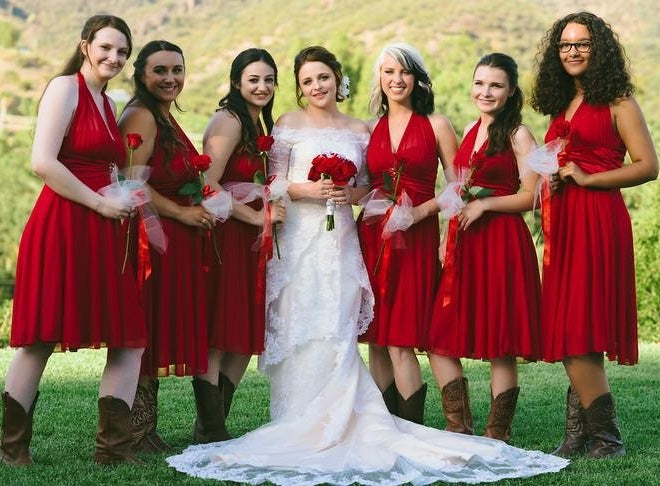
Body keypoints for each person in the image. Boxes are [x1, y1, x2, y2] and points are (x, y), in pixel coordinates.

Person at [167, 45, 568, 484]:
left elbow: (413, 186)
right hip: (318, 235)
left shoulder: (373, 128)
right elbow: (285, 182)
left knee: (361, 331)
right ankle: (294, 418)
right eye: (306, 81)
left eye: (323, 77)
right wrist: (313, 191)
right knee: (324, 330)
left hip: (358, 237)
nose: (316, 86)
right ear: (298, 89)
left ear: (339, 80)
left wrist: (393, 207)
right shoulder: (292, 125)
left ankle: (404, 421)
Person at [1, 15, 145, 466]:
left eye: (122, 52)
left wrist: (123, 192)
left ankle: (113, 451)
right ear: (85, 46)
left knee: (129, 335)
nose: (114, 58)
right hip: (63, 221)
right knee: (41, 336)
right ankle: (11, 447)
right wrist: (101, 204)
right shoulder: (65, 88)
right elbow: (43, 162)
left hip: (102, 228)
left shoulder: (107, 101)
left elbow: (103, 165)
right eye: (105, 48)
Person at [531, 12, 658, 458]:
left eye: (582, 43)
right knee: (571, 326)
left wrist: (586, 178)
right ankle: (580, 435)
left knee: (579, 326)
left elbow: (647, 165)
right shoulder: (562, 103)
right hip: (564, 224)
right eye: (565, 45)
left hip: (598, 219)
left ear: (598, 48)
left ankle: (607, 438)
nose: (572, 51)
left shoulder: (619, 101)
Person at [428, 53, 541, 443]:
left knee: (500, 343)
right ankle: (459, 428)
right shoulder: (471, 129)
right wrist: (446, 234)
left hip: (502, 244)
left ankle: (497, 437)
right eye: (480, 83)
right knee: (439, 339)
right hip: (464, 244)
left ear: (510, 92)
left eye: (495, 85)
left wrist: (486, 203)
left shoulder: (518, 135)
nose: (486, 91)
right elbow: (457, 191)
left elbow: (533, 196)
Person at [117, 40, 212, 453]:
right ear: (141, 74)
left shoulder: (164, 117)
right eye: (160, 70)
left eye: (177, 69)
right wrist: (181, 211)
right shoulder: (141, 114)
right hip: (150, 240)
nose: (170, 78)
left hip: (174, 240)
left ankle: (143, 428)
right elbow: (131, 183)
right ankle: (132, 433)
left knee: (153, 329)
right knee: (144, 327)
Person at [357, 42, 458, 423]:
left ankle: (411, 429)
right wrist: (325, 190)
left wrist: (421, 213)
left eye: (404, 72)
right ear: (379, 79)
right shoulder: (369, 129)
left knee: (401, 339)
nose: (396, 80)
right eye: (388, 72)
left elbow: (457, 187)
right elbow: (365, 187)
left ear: (417, 78)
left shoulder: (437, 125)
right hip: (372, 237)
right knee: (377, 341)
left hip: (416, 237)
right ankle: (386, 426)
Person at [197, 48, 285, 442]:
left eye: (268, 79)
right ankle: (212, 429)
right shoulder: (229, 120)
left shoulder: (256, 121)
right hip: (228, 234)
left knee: (244, 333)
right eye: (253, 79)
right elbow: (207, 183)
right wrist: (253, 217)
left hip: (254, 239)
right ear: (236, 83)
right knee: (219, 331)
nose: (262, 86)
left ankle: (210, 425)